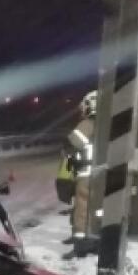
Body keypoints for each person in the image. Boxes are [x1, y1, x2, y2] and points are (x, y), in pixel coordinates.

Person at [60, 91, 96, 244]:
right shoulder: (106, 123)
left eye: (86, 105)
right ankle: (78, 234)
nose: (83, 109)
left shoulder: (88, 124)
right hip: (93, 171)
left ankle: (80, 241)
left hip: (86, 172)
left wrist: (66, 146)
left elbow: (73, 142)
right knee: (83, 206)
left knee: (82, 205)